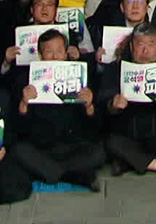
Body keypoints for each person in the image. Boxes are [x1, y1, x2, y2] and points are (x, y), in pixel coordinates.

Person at [9, 30, 105, 190]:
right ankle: (74, 175)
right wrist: (24, 104)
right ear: (40, 55)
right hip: (41, 146)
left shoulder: (80, 77)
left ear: (66, 53)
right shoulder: (26, 80)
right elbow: (18, 129)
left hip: (73, 145)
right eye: (49, 51)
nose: (54, 56)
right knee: (18, 150)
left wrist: (89, 106)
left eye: (59, 51)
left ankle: (53, 173)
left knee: (98, 153)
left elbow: (96, 126)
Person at [98, 22, 156, 179]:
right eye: (140, 45)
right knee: (109, 142)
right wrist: (112, 104)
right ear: (132, 47)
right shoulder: (116, 68)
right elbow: (102, 102)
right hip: (128, 134)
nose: (145, 51)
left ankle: (132, 162)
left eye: (150, 44)